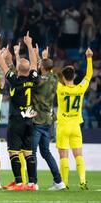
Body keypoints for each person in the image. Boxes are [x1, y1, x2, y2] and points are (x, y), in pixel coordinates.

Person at [0, 32, 39, 191]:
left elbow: (1, 64)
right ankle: (32, 183)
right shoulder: (33, 77)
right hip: (29, 120)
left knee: (13, 152)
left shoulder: (15, 80)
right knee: (28, 152)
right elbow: (34, 63)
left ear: (18, 69)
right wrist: (29, 44)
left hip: (16, 120)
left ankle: (19, 182)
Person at [56, 48, 93, 190]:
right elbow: (89, 75)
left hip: (63, 126)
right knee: (78, 155)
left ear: (63, 77)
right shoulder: (80, 88)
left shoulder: (60, 88)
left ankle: (64, 184)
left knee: (63, 155)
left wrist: (44, 58)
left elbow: (50, 77)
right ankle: (83, 181)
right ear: (74, 76)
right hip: (76, 126)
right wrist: (89, 58)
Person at [31, 46, 66, 190]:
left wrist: (37, 56)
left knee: (31, 153)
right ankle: (59, 182)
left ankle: (33, 182)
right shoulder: (54, 79)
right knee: (46, 152)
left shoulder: (39, 81)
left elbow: (38, 72)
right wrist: (43, 57)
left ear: (42, 67)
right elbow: (47, 69)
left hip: (37, 121)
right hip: (49, 122)